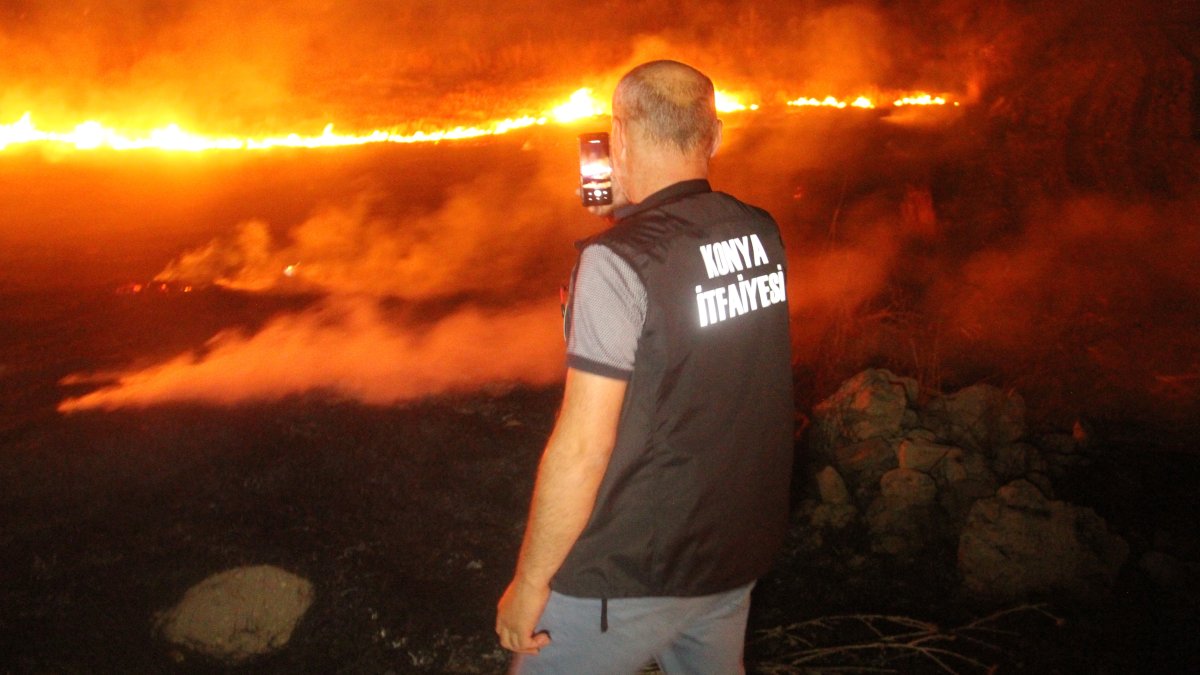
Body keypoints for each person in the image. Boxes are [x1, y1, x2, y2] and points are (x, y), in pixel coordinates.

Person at [496, 60, 794, 674]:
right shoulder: (760, 232)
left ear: (620, 138)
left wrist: (529, 583)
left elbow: (581, 447)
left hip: (633, 572)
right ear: (714, 136)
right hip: (731, 555)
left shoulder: (618, 263)